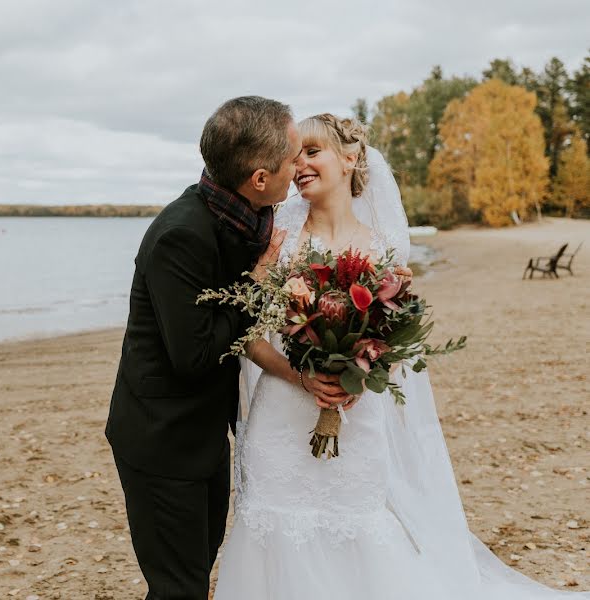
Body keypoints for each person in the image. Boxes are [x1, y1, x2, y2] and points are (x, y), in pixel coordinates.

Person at [213, 113, 590, 599]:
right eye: (293, 157)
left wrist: (361, 367)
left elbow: (394, 346)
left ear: (349, 159)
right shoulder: (277, 243)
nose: (299, 165)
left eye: (312, 152)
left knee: (357, 525)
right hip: (282, 416)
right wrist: (301, 376)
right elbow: (248, 335)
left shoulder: (384, 248)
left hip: (356, 415)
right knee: (275, 527)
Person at [105, 97, 352, 600]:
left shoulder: (242, 218)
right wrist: (261, 279)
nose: (298, 166)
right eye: (291, 159)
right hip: (162, 442)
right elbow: (194, 357)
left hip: (204, 435)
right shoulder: (181, 235)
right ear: (260, 179)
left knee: (198, 567)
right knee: (179, 587)